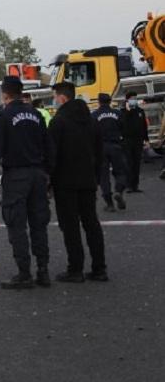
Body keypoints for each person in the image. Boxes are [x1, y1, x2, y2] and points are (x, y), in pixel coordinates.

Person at [0, 76, 54, 290]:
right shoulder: (35, 114)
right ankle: (43, 271)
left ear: (5, 94)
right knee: (39, 224)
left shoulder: (4, 115)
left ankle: (24, 273)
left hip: (16, 175)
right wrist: (48, 174)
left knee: (16, 224)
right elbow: (47, 145)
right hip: (37, 173)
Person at [48, 82, 108, 282]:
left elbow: (52, 154)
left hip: (65, 182)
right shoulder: (91, 121)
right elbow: (100, 153)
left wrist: (49, 181)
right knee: (91, 223)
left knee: (70, 226)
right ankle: (99, 268)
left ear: (62, 98)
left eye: (55, 97)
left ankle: (75, 269)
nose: (55, 101)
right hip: (88, 180)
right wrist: (96, 177)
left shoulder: (59, 122)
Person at [91, 93, 128, 212]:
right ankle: (118, 191)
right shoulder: (117, 113)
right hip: (115, 145)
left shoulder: (94, 115)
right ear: (110, 101)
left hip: (100, 148)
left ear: (99, 101)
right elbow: (124, 128)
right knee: (121, 171)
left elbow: (90, 133)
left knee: (103, 176)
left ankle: (109, 203)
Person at [122, 91, 150, 192]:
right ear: (127, 99)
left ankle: (135, 185)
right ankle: (129, 185)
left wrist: (146, 139)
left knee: (137, 163)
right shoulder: (123, 111)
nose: (134, 100)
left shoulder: (140, 111)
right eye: (132, 98)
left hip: (138, 140)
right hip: (127, 140)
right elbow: (123, 124)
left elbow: (144, 126)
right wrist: (128, 110)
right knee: (128, 163)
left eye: (135, 98)